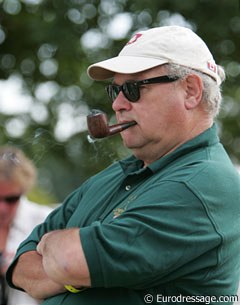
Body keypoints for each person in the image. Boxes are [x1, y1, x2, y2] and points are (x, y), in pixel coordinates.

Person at [6, 25, 240, 304]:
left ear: (190, 91)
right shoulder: (116, 175)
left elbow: (68, 261)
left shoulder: (203, 183)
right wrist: (68, 269)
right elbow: (21, 266)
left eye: (132, 89)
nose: (117, 104)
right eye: (114, 90)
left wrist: (57, 253)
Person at [0, 146, 52, 305]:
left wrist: (16, 272)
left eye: (11, 199)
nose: (1, 209)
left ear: (24, 191)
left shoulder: (45, 221)